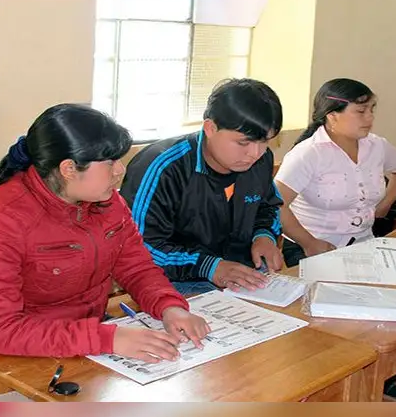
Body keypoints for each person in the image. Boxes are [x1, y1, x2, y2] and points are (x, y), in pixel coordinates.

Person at [0, 104, 210, 363]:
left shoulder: (106, 201)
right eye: (110, 162)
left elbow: (136, 267)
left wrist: (169, 306)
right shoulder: (2, 219)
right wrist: (107, 338)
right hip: (24, 352)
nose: (120, 170)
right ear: (69, 168)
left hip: (88, 340)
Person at [120, 78, 285, 295]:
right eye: (243, 143)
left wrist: (264, 235)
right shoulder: (163, 167)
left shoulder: (260, 161)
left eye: (265, 142)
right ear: (210, 128)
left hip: (241, 276)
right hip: (175, 282)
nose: (255, 153)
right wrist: (209, 266)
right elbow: (139, 247)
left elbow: (268, 206)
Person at [274, 78, 396, 267]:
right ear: (332, 115)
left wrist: (386, 203)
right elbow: (275, 204)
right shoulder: (309, 153)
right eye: (361, 111)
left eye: (372, 109)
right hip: (314, 247)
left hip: (364, 243)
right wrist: (310, 243)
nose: (370, 118)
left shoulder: (377, 146)